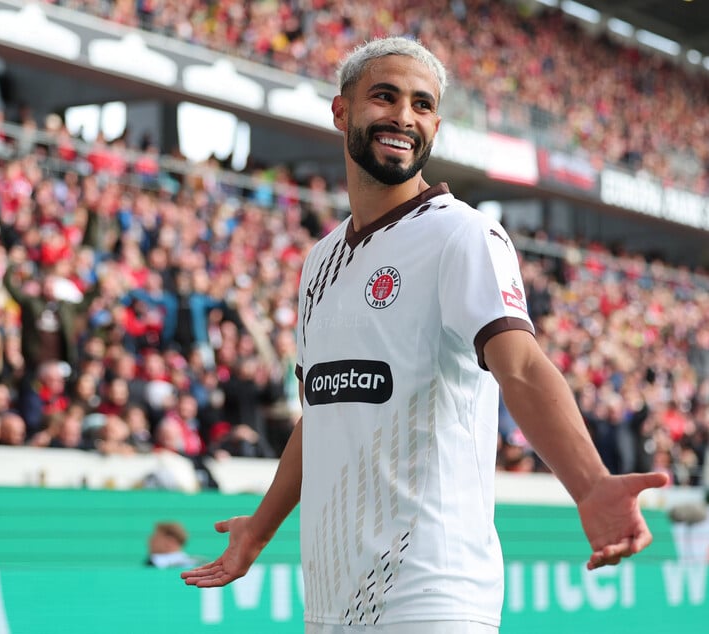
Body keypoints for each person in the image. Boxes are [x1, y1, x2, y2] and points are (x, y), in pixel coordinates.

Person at [181, 36, 669, 633]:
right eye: (384, 97)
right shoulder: (319, 263)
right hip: (331, 605)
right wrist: (261, 527)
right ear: (342, 111)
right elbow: (325, 413)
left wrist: (590, 484)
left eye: (421, 104)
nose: (403, 117)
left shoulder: (463, 236)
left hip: (434, 597)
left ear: (435, 123)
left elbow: (521, 366)